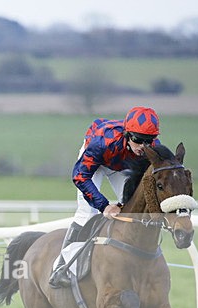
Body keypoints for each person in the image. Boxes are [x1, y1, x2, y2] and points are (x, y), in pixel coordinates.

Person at [48, 106, 161, 288]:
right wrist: (105, 206)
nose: (143, 147)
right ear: (127, 134)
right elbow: (80, 176)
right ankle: (61, 267)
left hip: (120, 164)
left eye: (148, 141)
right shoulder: (102, 142)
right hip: (96, 161)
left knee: (133, 207)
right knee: (88, 212)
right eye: (138, 140)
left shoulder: (152, 149)